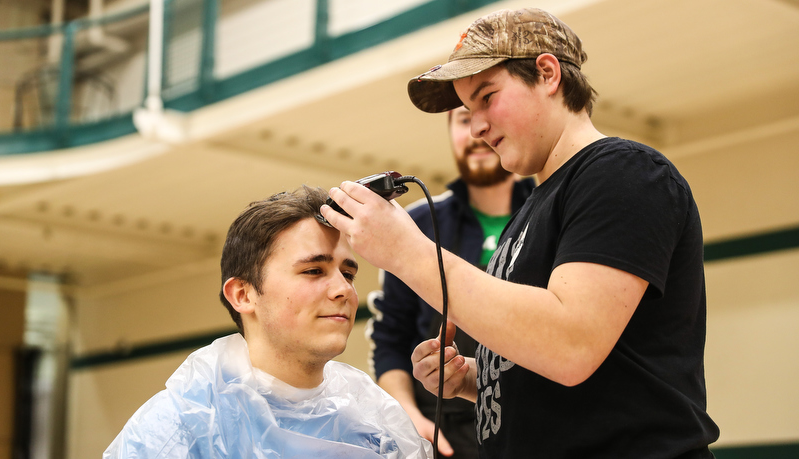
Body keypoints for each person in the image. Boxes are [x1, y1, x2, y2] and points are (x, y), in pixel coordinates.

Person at [321, 7, 720, 459]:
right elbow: (571, 369)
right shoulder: (531, 210)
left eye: (487, 97)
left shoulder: (623, 172)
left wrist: (407, 252)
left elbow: (571, 344)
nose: (476, 127)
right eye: (468, 110)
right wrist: (476, 379)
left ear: (547, 73)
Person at [104, 186, 433, 459]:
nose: (344, 290)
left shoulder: (374, 420)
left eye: (348, 274)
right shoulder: (182, 426)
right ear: (243, 295)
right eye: (314, 270)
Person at [367, 106, 534, 458]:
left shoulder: (553, 212)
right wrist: (408, 418)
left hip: (536, 425)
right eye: (462, 119)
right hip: (442, 438)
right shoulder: (415, 225)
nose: (476, 130)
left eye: (487, 111)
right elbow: (390, 339)